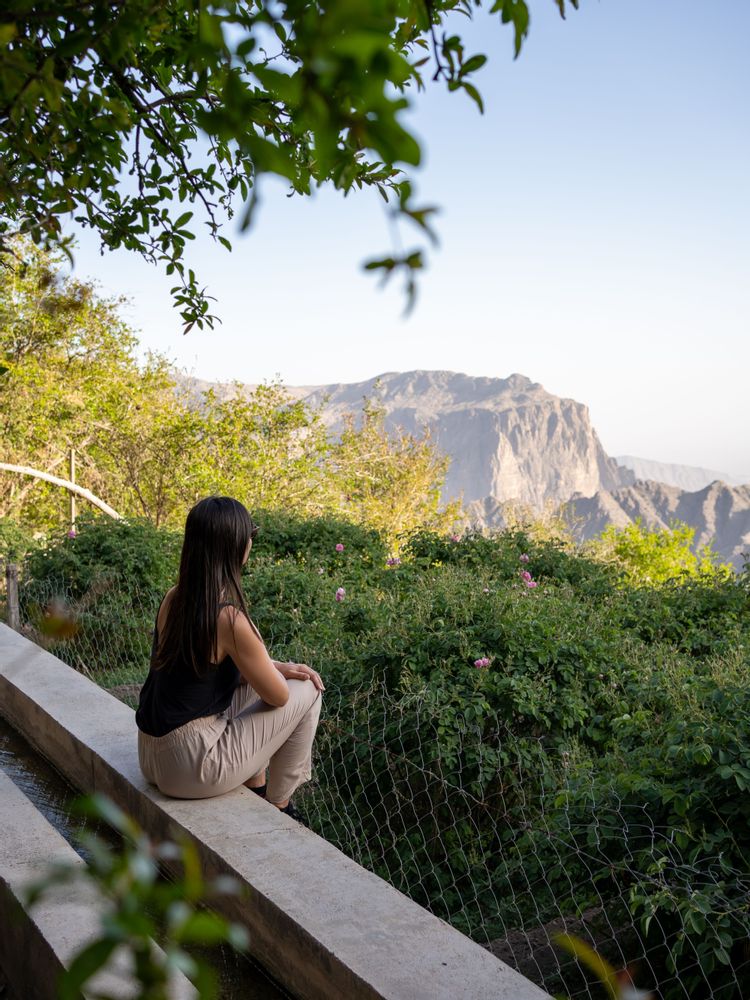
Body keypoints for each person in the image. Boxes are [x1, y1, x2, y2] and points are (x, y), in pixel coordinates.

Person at [136, 496, 323, 819]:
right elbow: (279, 696)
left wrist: (276, 666)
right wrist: (277, 666)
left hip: (151, 755)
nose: (252, 541)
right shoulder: (229, 619)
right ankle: (280, 806)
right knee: (308, 687)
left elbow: (198, 674)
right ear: (237, 545)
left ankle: (256, 785)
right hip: (190, 766)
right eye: (251, 534)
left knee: (252, 682)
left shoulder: (175, 597)